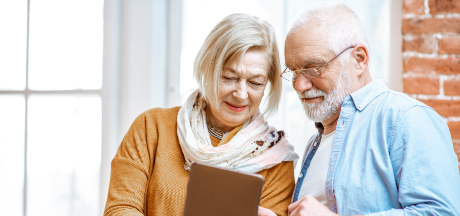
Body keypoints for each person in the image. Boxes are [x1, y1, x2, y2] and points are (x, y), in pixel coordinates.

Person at [258, 2, 460, 216]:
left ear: (359, 60)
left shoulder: (407, 119)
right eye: (294, 71)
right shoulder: (315, 142)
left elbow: (443, 212)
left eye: (312, 69)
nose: (299, 85)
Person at [104, 13, 299, 216]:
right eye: (229, 77)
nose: (241, 94)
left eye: (255, 83)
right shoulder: (151, 128)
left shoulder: (276, 160)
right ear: (207, 68)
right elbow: (121, 209)